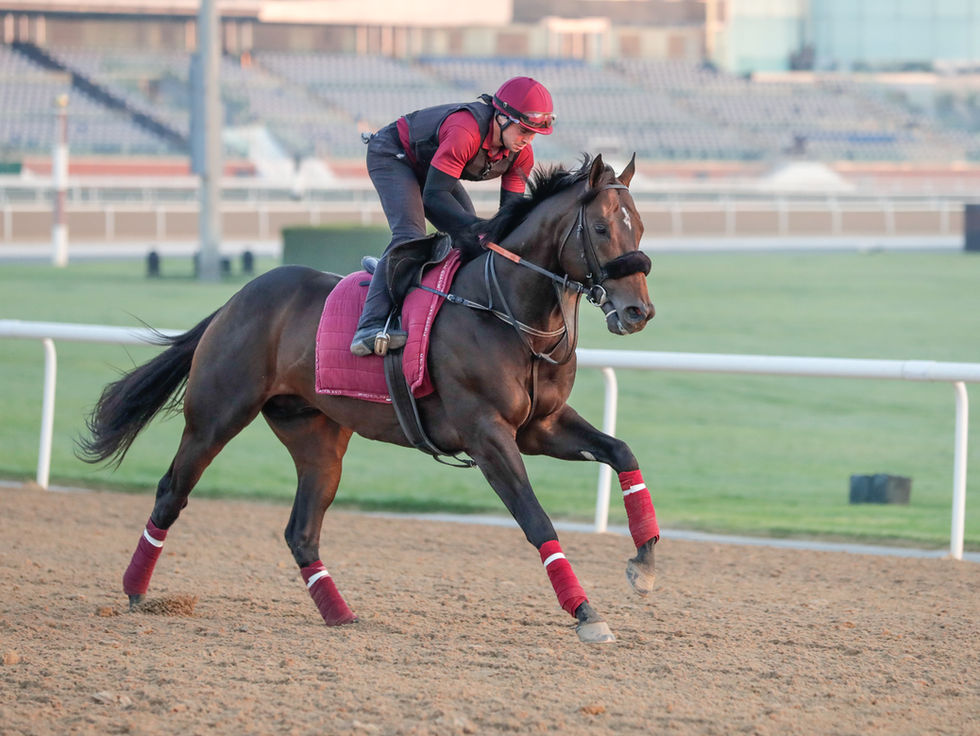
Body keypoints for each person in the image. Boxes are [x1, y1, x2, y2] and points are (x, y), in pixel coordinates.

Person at [350, 76, 556, 356]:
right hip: (394, 154)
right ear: (501, 117)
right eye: (523, 130)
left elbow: (512, 214)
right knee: (411, 234)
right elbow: (433, 196)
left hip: (433, 168)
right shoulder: (466, 131)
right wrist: (478, 227)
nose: (528, 140)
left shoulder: (521, 155)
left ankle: (434, 299)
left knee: (469, 240)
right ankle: (370, 324)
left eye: (534, 134)